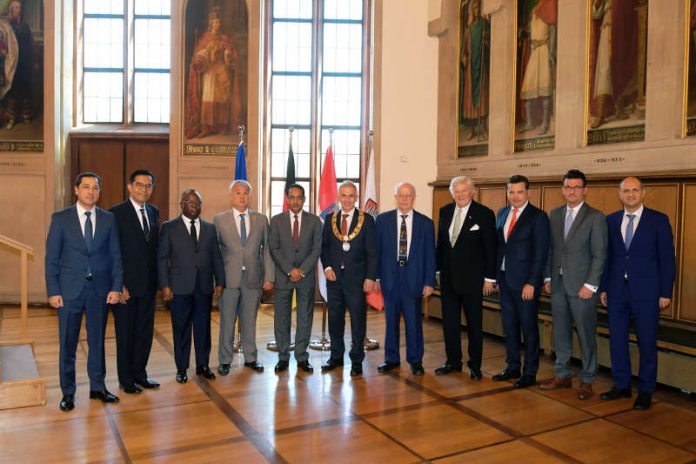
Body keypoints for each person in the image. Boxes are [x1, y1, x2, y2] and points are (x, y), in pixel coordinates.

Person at [45, 172, 123, 412]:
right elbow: (52, 259)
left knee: (97, 341)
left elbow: (115, 256)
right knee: (68, 343)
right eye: (86, 187)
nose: (91, 191)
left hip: (99, 291)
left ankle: (97, 387)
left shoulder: (108, 219)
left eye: (95, 188)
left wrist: (116, 286)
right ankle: (68, 392)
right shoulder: (60, 219)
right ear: (76, 190)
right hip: (69, 291)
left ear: (99, 192)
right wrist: (53, 290)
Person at [599, 177, 676, 410]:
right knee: (618, 340)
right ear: (619, 194)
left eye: (635, 190)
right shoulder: (610, 220)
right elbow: (607, 258)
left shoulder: (658, 221)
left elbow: (667, 260)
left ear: (643, 193)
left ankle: (645, 390)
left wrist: (665, 292)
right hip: (616, 292)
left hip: (647, 293)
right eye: (626, 191)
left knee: (647, 342)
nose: (630, 194)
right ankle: (622, 385)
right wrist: (604, 287)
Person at [541, 170, 607, 400]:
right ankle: (562, 374)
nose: (572, 191)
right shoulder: (555, 214)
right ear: (563, 189)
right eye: (568, 187)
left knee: (586, 334)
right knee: (560, 332)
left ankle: (587, 379)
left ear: (585, 190)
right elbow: (552, 250)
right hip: (558, 285)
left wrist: (591, 285)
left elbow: (600, 255)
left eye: (577, 187)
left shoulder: (595, 217)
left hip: (583, 288)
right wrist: (548, 277)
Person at [158, 189, 225, 384]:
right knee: (181, 328)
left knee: (203, 328)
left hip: (203, 287)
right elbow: (162, 258)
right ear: (182, 205)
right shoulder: (169, 227)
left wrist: (220, 281)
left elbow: (216, 257)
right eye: (190, 202)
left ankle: (203, 365)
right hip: (179, 287)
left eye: (197, 203)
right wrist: (165, 285)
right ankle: (181, 367)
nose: (194, 206)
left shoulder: (210, 228)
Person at [435, 176, 496, 379]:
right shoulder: (444, 211)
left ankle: (475, 365)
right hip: (448, 279)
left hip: (473, 280)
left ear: (472, 191)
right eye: (456, 191)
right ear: (452, 193)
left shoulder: (484, 214)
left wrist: (489, 278)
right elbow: (441, 245)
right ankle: (453, 362)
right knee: (449, 323)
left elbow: (490, 248)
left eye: (464, 190)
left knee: (474, 324)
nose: (460, 194)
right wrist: (437, 270)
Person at [493, 174, 550, 388]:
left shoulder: (538, 217)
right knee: (509, 327)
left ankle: (530, 372)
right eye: (511, 192)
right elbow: (500, 247)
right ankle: (512, 366)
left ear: (528, 193)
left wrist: (533, 282)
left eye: (519, 192)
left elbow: (540, 253)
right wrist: (496, 277)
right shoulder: (502, 213)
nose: (515, 197)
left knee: (528, 328)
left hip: (526, 283)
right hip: (505, 280)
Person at [375, 182, 435, 376]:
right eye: (401, 195)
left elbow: (430, 255)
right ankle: (391, 359)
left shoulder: (425, 223)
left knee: (413, 322)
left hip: (414, 279)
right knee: (390, 321)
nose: (404, 199)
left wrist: (428, 281)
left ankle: (415, 360)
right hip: (390, 278)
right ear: (395, 197)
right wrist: (375, 277)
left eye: (408, 195)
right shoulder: (382, 221)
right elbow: (376, 252)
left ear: (414, 198)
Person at [215, 180, 274, 374]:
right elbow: (214, 252)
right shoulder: (219, 219)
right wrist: (216, 280)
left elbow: (267, 251)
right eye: (238, 193)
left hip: (253, 278)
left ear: (250, 196)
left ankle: (251, 358)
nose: (242, 196)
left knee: (250, 319)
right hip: (228, 279)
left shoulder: (261, 219)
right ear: (231, 196)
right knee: (227, 321)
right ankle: (225, 359)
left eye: (246, 193)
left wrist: (269, 277)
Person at [109, 169, 160, 394]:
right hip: (126, 288)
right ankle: (126, 379)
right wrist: (118, 284)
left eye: (148, 186)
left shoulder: (154, 211)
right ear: (129, 187)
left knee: (144, 333)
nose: (144, 189)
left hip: (148, 285)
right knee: (126, 335)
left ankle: (141, 373)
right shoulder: (116, 213)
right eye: (139, 185)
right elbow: (112, 252)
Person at [321, 181, 377, 377]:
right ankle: (336, 357)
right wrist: (327, 267)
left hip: (357, 279)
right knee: (335, 319)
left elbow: (372, 252)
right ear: (338, 197)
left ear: (356, 197)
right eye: (343, 195)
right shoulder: (330, 219)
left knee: (357, 320)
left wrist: (371, 277)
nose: (347, 199)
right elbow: (325, 248)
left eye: (351, 196)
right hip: (334, 279)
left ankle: (356, 360)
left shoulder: (367, 220)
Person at [268, 184, 322, 373]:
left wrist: (302, 270)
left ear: (304, 199)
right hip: (284, 276)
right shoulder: (276, 221)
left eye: (299, 197)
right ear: (287, 199)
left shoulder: (314, 221)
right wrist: (290, 270)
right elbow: (274, 248)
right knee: (281, 318)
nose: (296, 201)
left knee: (304, 318)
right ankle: (283, 356)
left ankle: (301, 356)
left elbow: (316, 249)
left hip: (305, 277)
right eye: (292, 197)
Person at [184, 6, 242, 139]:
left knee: (222, 98)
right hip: (210, 71)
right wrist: (201, 57)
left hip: (222, 70)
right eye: (216, 21)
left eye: (219, 21)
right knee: (208, 97)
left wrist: (228, 54)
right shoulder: (205, 38)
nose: (218, 23)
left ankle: (221, 126)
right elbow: (202, 52)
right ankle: (206, 127)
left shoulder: (225, 38)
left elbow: (231, 53)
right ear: (211, 23)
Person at [589, 0, 640, 129]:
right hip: (608, 30)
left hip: (622, 30)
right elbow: (595, 14)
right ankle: (601, 114)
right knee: (603, 71)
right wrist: (598, 4)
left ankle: (619, 107)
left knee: (620, 68)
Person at [519, 0, 557, 135]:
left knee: (545, 89)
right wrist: (523, 32)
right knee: (528, 89)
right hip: (534, 53)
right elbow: (531, 30)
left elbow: (552, 30)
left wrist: (551, 53)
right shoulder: (534, 9)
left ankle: (545, 123)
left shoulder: (551, 4)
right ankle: (530, 122)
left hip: (544, 51)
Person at [459, 0, 490, 141]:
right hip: (471, 70)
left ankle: (483, 128)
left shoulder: (485, 25)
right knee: (470, 99)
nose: (477, 10)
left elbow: (492, 46)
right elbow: (464, 52)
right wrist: (464, 59)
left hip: (482, 67)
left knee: (483, 95)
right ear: (472, 10)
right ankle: (472, 129)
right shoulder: (468, 30)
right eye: (475, 7)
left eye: (479, 7)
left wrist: (486, 40)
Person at [0, 0, 33, 130]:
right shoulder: (8, 26)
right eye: (15, 7)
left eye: (19, 7)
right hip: (14, 62)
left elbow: (30, 43)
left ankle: (26, 115)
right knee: (13, 89)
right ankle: (12, 118)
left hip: (25, 61)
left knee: (25, 88)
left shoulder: (25, 26)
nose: (18, 9)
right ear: (11, 9)